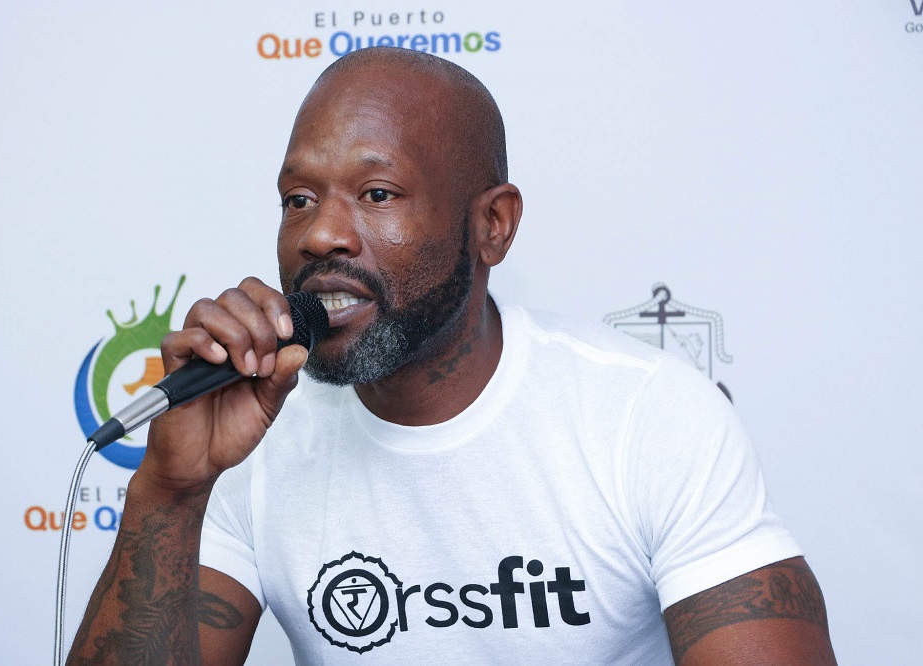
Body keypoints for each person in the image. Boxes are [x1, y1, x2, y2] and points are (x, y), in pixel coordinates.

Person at [68, 47, 836, 664]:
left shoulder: (646, 415)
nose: (320, 235)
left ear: (492, 225)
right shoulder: (253, 432)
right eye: (298, 199)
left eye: (377, 194)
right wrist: (171, 492)